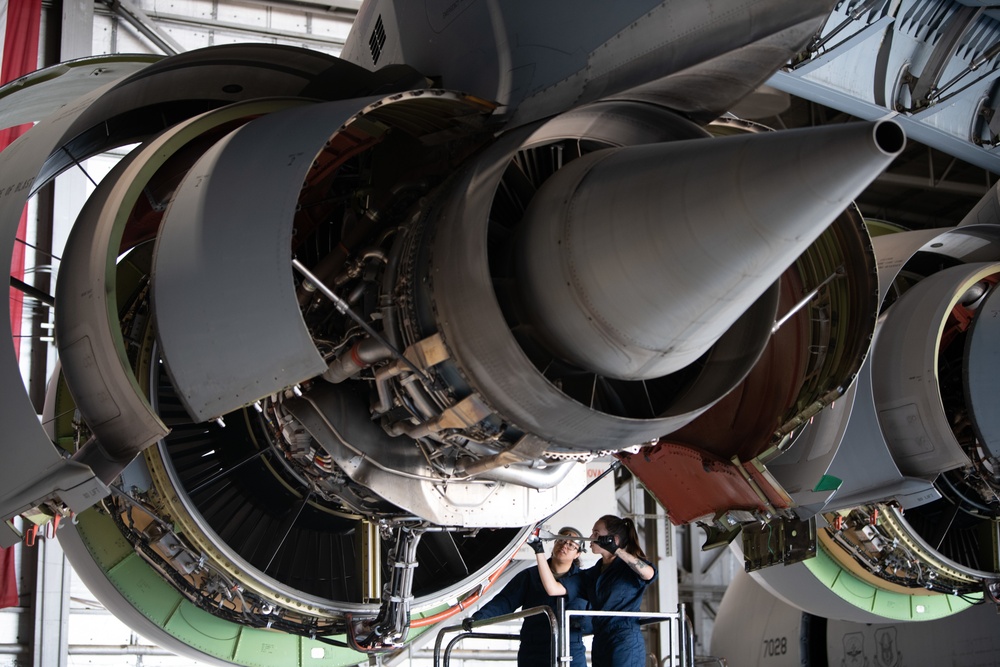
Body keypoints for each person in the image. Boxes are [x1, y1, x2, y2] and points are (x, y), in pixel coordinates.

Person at [535, 515, 656, 667]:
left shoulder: (627, 568)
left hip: (625, 640)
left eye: (596, 534)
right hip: (600, 641)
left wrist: (617, 551)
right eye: (592, 533)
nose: (591, 537)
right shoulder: (591, 575)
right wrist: (538, 550)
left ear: (614, 539)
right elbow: (553, 589)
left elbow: (648, 573)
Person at [463, 527, 591, 666]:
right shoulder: (530, 576)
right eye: (561, 540)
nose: (564, 545)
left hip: (570, 649)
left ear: (577, 554)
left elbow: (595, 612)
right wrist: (478, 618)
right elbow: (505, 601)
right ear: (554, 543)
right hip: (534, 650)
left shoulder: (583, 580)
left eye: (571, 545)